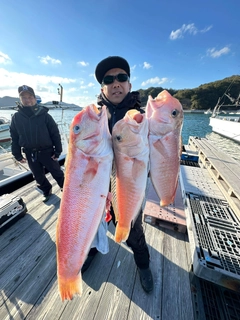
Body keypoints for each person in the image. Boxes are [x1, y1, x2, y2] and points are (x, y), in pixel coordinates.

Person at [82, 56, 153, 293]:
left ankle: (143, 265)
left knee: (132, 228)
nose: (116, 83)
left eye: (122, 77)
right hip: (97, 184)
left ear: (129, 85)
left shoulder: (141, 118)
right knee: (93, 223)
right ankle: (91, 250)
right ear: (102, 87)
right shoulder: (94, 116)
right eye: (108, 79)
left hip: (129, 183)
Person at [10, 85, 64, 202]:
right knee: (38, 176)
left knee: (57, 172)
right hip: (30, 154)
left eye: (30, 97)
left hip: (47, 152)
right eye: (24, 97)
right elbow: (14, 138)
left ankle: (65, 188)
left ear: (35, 98)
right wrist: (17, 155)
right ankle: (46, 190)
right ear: (20, 99)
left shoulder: (45, 115)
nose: (27, 100)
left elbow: (55, 133)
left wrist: (58, 151)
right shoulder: (16, 118)